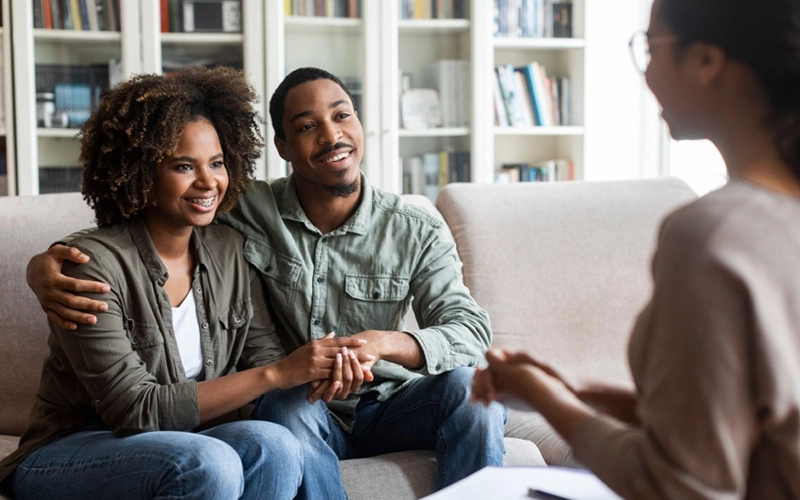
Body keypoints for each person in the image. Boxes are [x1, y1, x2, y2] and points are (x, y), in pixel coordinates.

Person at [25, 67, 507, 498]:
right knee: (283, 409)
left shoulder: (413, 226)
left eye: (343, 116)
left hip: (387, 403)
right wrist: (44, 264)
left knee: (471, 388)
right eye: (306, 126)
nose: (332, 135)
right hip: (292, 405)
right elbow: (132, 223)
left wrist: (383, 344)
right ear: (281, 147)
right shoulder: (245, 211)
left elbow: (470, 331)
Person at [472, 0, 800, 498]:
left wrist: (547, 398)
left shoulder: (712, 236)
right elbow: (747, 420)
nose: (646, 73)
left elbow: (678, 485)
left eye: (651, 48)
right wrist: (577, 392)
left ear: (706, 61)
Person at [0, 66, 373, 500]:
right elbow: (134, 409)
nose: (208, 182)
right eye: (183, 166)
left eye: (216, 163)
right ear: (143, 172)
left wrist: (328, 367)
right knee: (207, 462)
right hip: (73, 448)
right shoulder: (90, 266)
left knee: (274, 444)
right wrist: (277, 373)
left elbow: (265, 357)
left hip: (188, 439)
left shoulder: (230, 250)